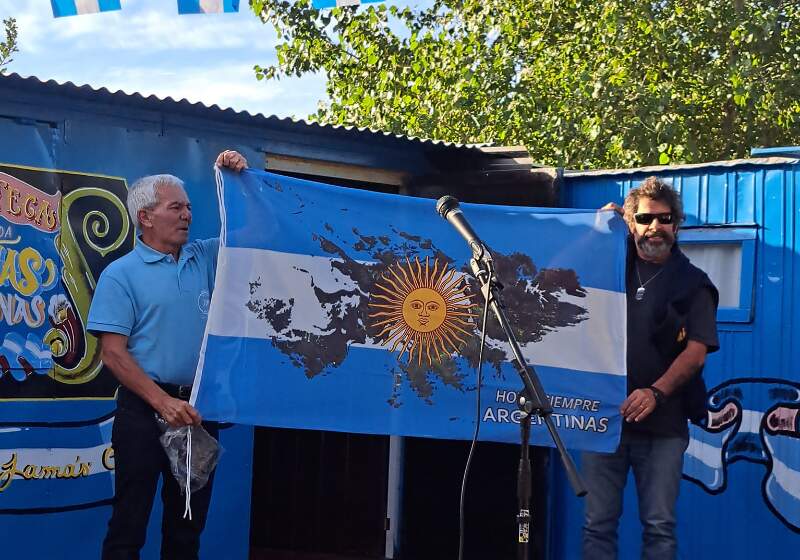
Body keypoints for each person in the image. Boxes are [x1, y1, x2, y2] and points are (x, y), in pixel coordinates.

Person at [87, 150, 248, 560]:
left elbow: (250, 232)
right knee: (129, 526)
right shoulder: (121, 274)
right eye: (175, 207)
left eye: (189, 208)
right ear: (145, 217)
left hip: (197, 410)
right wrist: (162, 402)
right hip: (143, 412)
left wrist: (232, 177)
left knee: (186, 530)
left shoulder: (204, 258)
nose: (187, 216)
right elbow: (113, 354)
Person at [582, 176, 719, 559]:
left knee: (659, 528)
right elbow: (558, 272)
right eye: (644, 219)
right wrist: (593, 228)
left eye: (664, 218)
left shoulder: (694, 284)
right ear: (631, 224)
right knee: (597, 524)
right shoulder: (609, 265)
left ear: (677, 223)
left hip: (664, 428)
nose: (653, 227)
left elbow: (695, 353)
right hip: (604, 423)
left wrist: (655, 392)